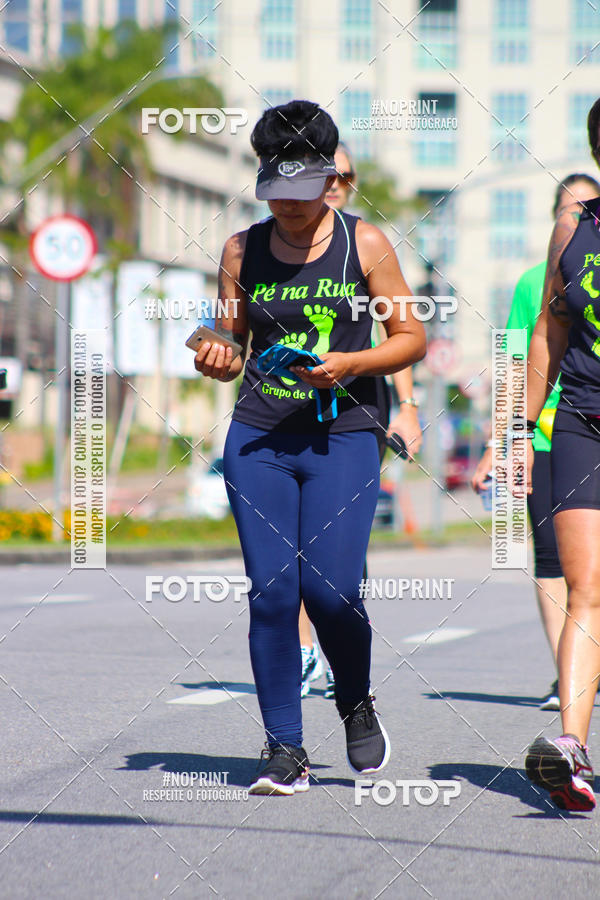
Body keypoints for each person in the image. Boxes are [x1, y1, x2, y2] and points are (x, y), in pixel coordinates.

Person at [194, 99, 426, 795]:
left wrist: (351, 365)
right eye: (277, 196)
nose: (289, 210)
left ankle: (354, 700)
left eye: (303, 195)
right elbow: (230, 344)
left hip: (345, 435)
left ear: (330, 180)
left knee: (330, 592)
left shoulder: (368, 244)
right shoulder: (242, 249)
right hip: (260, 435)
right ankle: (284, 749)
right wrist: (214, 353)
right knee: (272, 595)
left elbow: (411, 338)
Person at [299, 140, 423, 699]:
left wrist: (410, 408)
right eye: (325, 176)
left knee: (338, 544)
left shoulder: (364, 244)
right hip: (287, 408)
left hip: (358, 407)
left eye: (342, 178)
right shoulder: (279, 243)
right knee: (298, 543)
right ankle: (305, 655)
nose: (333, 186)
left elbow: (398, 338)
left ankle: (338, 639)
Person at [472, 174, 600, 712]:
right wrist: (500, 441)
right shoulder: (534, 280)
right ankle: (563, 674)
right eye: (567, 205)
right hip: (553, 430)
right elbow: (513, 360)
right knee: (556, 562)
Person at [523, 97, 600, 812]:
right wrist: (523, 429)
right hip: (580, 417)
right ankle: (571, 749)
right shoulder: (575, 230)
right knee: (586, 587)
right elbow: (547, 330)